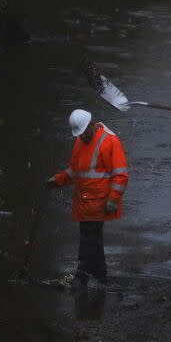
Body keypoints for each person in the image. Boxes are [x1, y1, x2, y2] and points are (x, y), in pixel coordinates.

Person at [48, 109, 129, 286]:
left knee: (89, 241)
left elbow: (121, 175)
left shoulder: (110, 141)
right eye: (80, 133)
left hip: (99, 202)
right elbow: (75, 170)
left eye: (84, 132)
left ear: (92, 125)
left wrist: (113, 199)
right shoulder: (79, 141)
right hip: (84, 202)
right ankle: (98, 278)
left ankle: (83, 277)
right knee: (92, 241)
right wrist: (58, 180)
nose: (82, 136)